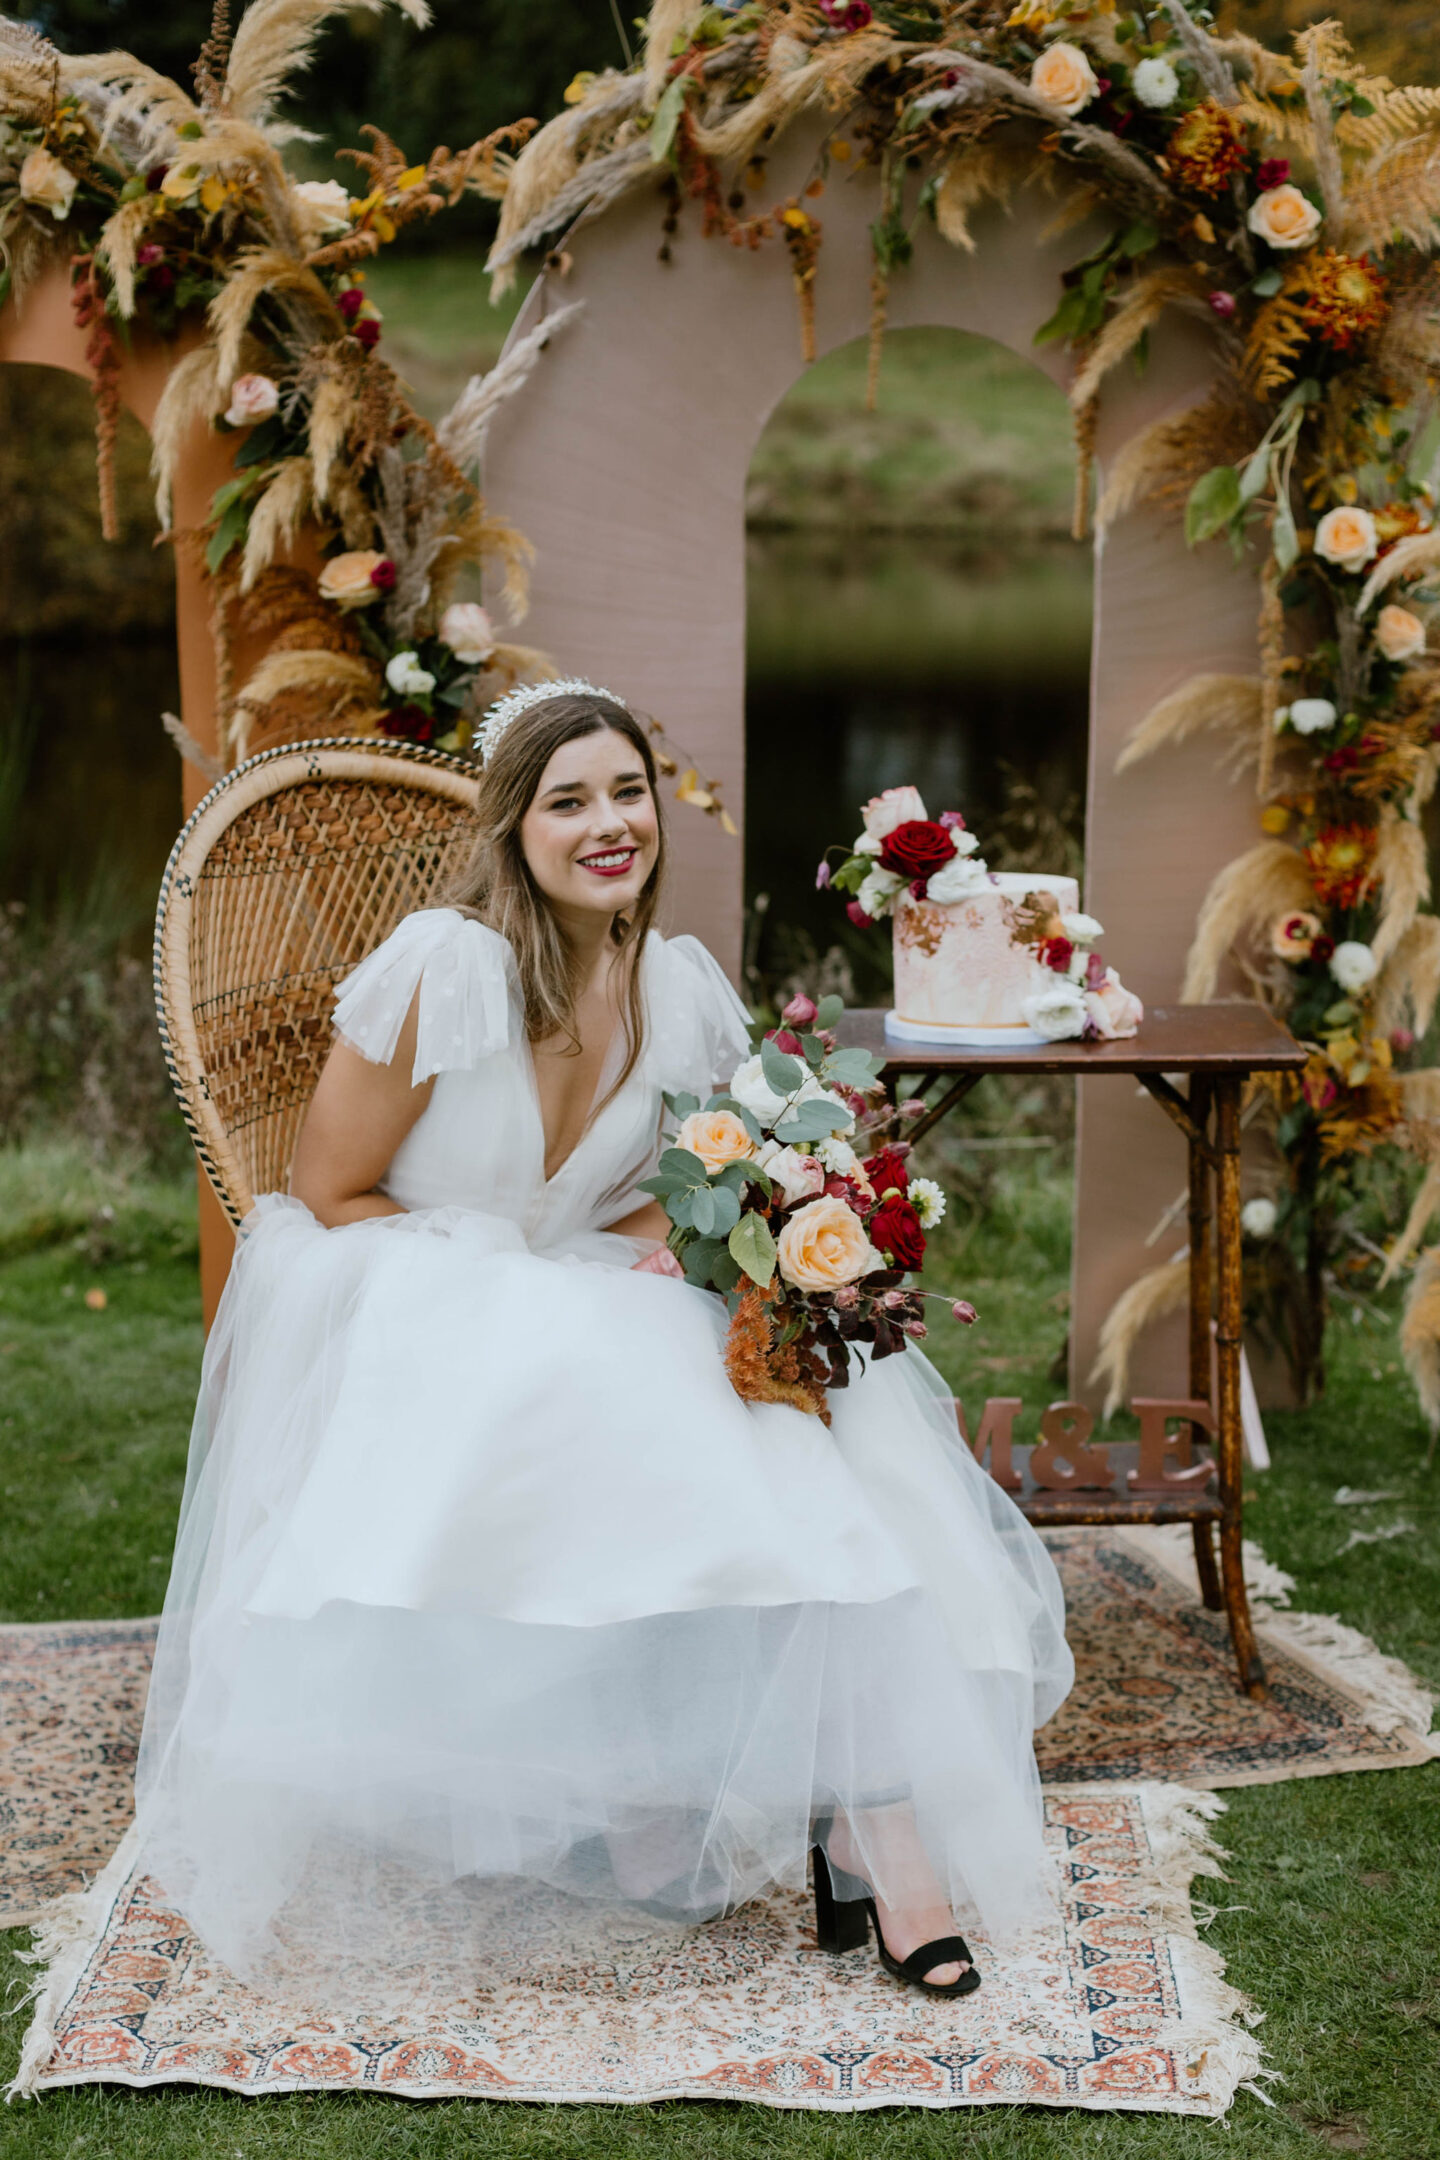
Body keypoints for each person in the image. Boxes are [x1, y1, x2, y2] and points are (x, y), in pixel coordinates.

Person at [133, 681, 1073, 2007]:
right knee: (639, 1375)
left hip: (561, 1285)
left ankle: (868, 1805)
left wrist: (691, 1247)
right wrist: (511, 1289)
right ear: (514, 824)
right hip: (406, 1292)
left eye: (626, 790)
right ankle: (855, 1824)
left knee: (800, 1396)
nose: (609, 823)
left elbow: (645, 1185)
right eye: (568, 801)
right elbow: (328, 1188)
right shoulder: (443, 964)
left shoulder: (667, 983)